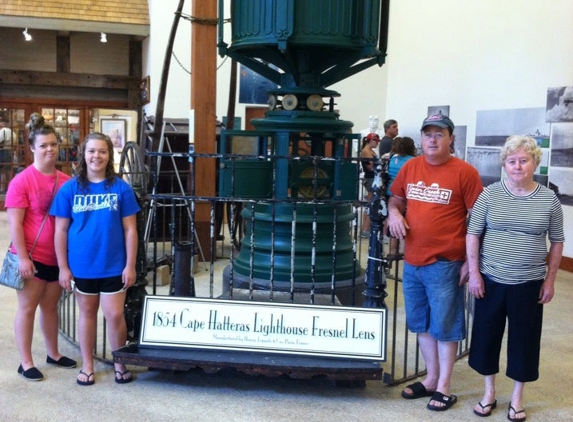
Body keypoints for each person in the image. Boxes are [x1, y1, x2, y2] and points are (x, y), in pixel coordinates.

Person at [387, 113, 483, 411]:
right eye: (428, 134)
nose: (432, 139)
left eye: (439, 134)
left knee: (445, 325)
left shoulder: (464, 173)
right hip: (413, 260)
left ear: (450, 138)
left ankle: (444, 386)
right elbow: (396, 199)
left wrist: (471, 261)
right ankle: (430, 379)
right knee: (422, 324)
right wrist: (394, 213)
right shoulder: (411, 166)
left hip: (445, 261)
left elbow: (479, 220)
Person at [466, 135, 564, 421]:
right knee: (486, 337)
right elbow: (473, 234)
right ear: (504, 165)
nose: (518, 166)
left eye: (524, 160)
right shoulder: (489, 194)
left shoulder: (549, 199)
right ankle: (489, 393)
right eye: (512, 161)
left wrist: (550, 280)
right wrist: (474, 274)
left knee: (524, 340)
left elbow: (557, 241)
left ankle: (517, 399)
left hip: (529, 283)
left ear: (535, 162)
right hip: (491, 279)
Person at [51, 132, 140, 386]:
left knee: (114, 315)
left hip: (113, 264)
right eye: (91, 151)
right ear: (83, 155)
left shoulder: (121, 188)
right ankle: (88, 365)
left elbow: (130, 230)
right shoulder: (70, 189)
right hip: (82, 266)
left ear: (109, 155)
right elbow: (60, 230)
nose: (96, 156)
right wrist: (63, 268)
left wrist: (130, 264)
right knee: (87, 314)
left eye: (102, 151)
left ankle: (119, 362)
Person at [5, 113, 77, 381]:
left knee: (50, 307)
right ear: (32, 148)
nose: (50, 149)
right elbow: (15, 224)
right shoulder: (21, 181)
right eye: (44, 145)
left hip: (56, 259)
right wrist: (23, 259)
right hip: (31, 258)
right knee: (27, 307)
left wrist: (66, 263)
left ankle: (53, 353)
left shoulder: (66, 181)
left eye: (54, 144)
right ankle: (25, 362)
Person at [384, 136, 416, 258]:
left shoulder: (392, 158)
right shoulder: (412, 160)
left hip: (389, 192)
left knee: (393, 223)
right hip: (405, 194)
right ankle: (406, 254)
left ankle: (392, 252)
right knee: (405, 225)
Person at [359, 133, 380, 237]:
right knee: (371, 204)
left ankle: (365, 227)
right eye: (376, 141)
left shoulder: (369, 151)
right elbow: (374, 165)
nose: (377, 144)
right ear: (371, 140)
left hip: (371, 178)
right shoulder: (366, 151)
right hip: (371, 178)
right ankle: (365, 229)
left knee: (369, 203)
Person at [1, 118, 16, 193]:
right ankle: (9, 186)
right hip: (10, 151)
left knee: (2, 170)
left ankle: (2, 188)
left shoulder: (2, 131)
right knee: (9, 170)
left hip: (3, 151)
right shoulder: (13, 132)